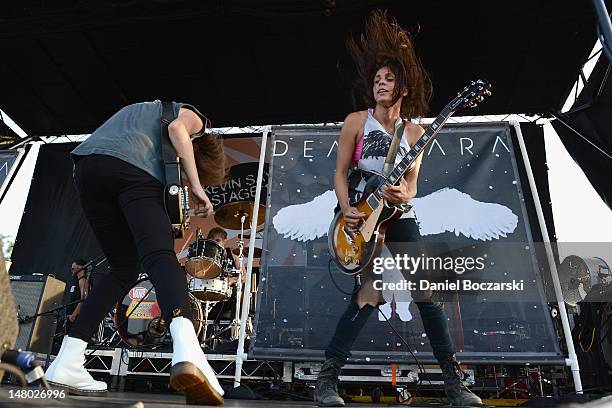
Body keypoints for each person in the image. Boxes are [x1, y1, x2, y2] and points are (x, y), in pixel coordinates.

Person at [315, 11, 483, 407]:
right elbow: (340, 173)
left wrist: (402, 196)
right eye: (376, 80)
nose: (380, 84)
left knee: (426, 292)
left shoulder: (415, 132)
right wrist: (347, 209)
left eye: (388, 79)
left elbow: (411, 187)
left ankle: (454, 384)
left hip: (398, 217)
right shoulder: (357, 121)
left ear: (403, 87)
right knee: (367, 296)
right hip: (361, 217)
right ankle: (326, 380)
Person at [45, 100, 226, 406]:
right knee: (160, 256)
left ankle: (67, 360)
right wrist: (196, 185)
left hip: (87, 171)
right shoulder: (195, 119)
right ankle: (188, 350)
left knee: (123, 269)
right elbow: (177, 129)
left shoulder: (140, 111)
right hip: (131, 170)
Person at [66, 259, 89, 329]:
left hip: (75, 319)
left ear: (79, 268)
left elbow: (83, 299)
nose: (71, 270)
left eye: (73, 268)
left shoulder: (83, 280)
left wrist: (74, 315)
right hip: (70, 317)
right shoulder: (77, 281)